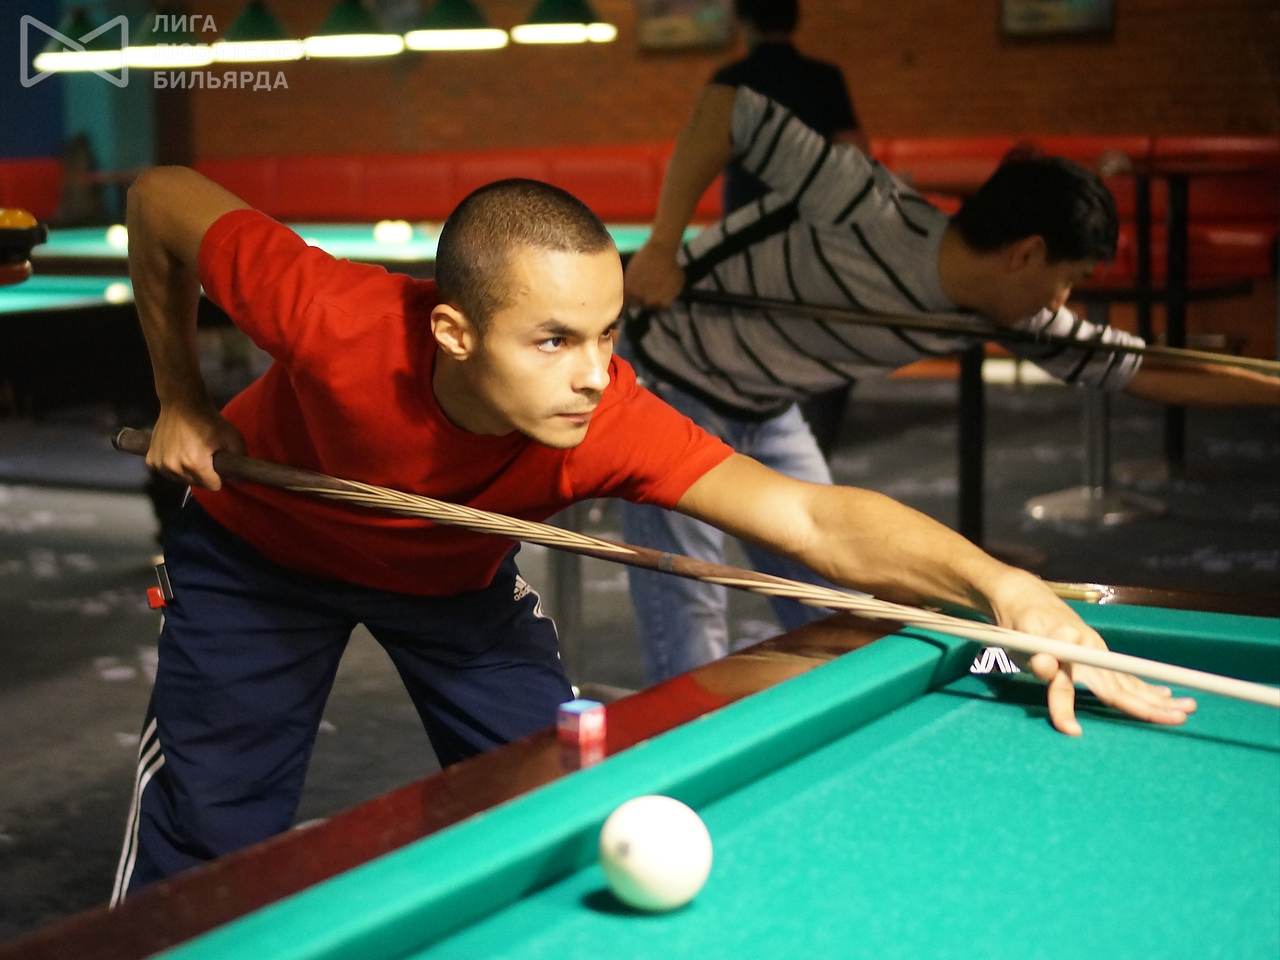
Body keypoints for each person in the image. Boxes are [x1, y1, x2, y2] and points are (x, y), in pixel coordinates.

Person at [113, 167, 1195, 901]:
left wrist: (1002, 586)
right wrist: (180, 399)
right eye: (552, 340)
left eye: (606, 333)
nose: (593, 374)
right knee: (207, 837)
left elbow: (808, 516)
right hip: (263, 557)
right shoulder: (332, 316)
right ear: (452, 331)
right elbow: (160, 196)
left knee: (563, 797)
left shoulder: (606, 417)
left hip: (450, 581)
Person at [622, 84, 1280, 684]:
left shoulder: (999, 306)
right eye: (1067, 279)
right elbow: (727, 108)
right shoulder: (862, 204)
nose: (1063, 300)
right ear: (1025, 254)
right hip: (670, 378)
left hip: (766, 404)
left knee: (840, 608)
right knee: (690, 609)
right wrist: (661, 247)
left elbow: (1141, 367)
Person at [713, 0, 866, 455]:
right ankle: (812, 446)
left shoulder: (730, 79)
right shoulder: (824, 77)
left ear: (743, 21)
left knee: (754, 348)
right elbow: (855, 154)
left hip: (746, 236)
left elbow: (706, 152)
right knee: (819, 345)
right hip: (813, 233)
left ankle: (756, 446)